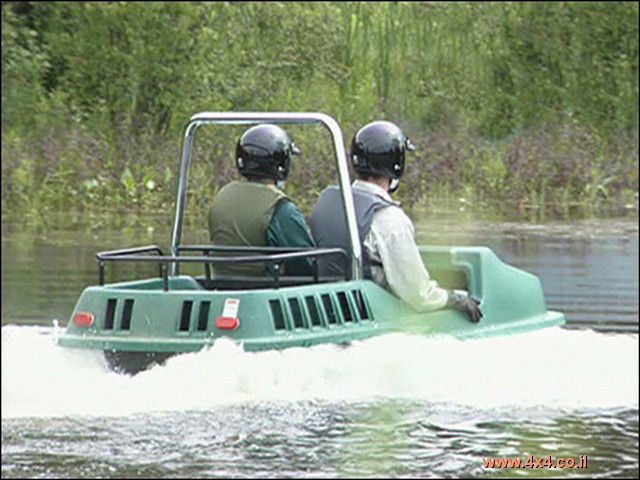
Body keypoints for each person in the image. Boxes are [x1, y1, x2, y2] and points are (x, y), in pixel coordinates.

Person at [310, 120, 482, 323]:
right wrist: (454, 299)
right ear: (397, 163)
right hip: (368, 313)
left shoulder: (326, 202)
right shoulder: (390, 219)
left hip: (327, 305)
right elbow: (419, 295)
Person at [208, 124, 315, 276]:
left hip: (219, 285)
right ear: (281, 163)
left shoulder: (222, 196)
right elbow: (307, 264)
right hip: (264, 288)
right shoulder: (281, 208)